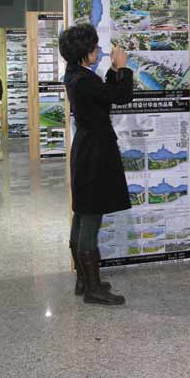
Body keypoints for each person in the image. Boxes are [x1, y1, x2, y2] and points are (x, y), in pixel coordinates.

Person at [59, 23, 133, 306]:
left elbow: (106, 95)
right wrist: (123, 67)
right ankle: (92, 289)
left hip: (87, 148)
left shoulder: (76, 75)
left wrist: (114, 71)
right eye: (95, 47)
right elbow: (121, 96)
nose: (99, 50)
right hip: (95, 152)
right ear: (84, 52)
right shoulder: (85, 80)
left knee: (82, 213)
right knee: (90, 216)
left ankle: (84, 280)